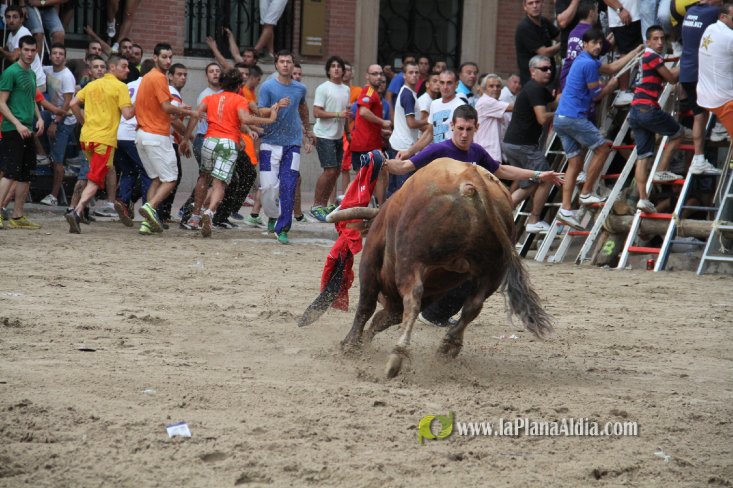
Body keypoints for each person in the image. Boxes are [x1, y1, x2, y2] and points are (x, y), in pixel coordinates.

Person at [383, 105, 562, 328]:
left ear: (476, 127)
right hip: (435, 224)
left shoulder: (477, 152)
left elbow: (502, 171)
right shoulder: (438, 150)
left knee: (478, 268)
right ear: (452, 126)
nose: (464, 134)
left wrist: (538, 174)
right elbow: (405, 166)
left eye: (469, 129)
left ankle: (436, 313)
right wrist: (383, 163)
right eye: (460, 128)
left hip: (464, 226)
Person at [554, 29, 642, 229]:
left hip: (561, 118)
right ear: (585, 44)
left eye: (600, 43)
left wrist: (635, 51)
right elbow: (596, 95)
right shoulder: (589, 64)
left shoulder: (583, 60)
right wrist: (610, 87)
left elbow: (611, 67)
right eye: (593, 43)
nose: (597, 46)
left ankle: (565, 209)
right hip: (574, 117)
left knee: (575, 162)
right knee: (602, 149)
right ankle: (586, 193)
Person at [181, 68, 278, 237]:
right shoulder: (240, 99)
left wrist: (185, 138)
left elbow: (196, 115)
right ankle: (210, 212)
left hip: (209, 141)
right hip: (228, 144)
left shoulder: (210, 98)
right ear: (239, 85)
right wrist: (269, 119)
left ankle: (195, 217)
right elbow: (245, 119)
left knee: (204, 177)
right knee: (219, 184)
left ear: (222, 83)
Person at [65, 54, 134, 233]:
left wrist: (83, 123)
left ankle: (77, 210)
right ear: (113, 67)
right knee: (95, 180)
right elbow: (128, 114)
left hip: (86, 138)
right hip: (104, 140)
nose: (127, 70)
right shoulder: (121, 87)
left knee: (95, 175)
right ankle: (77, 211)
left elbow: (73, 103)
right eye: (124, 66)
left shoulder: (92, 85)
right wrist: (140, 104)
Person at [134, 42, 197, 234]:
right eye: (164, 57)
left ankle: (147, 223)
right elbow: (166, 108)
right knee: (171, 179)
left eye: (170, 57)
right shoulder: (159, 77)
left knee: (156, 179)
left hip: (141, 135)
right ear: (154, 57)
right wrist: (190, 112)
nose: (168, 61)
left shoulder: (146, 77)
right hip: (156, 135)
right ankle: (150, 207)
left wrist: (179, 109)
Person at [257, 50, 313, 244]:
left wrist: (308, 130)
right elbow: (260, 111)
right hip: (269, 143)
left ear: (293, 65)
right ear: (276, 65)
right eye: (282, 62)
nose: (285, 65)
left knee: (289, 186)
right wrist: (277, 106)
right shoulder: (267, 87)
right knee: (268, 187)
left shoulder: (300, 89)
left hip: (292, 144)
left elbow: (303, 108)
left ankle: (283, 228)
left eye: (288, 62)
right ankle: (273, 216)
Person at [628, 25, 684, 213]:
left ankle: (643, 198)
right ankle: (661, 170)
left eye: (662, 39)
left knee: (643, 155)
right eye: (655, 39)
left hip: (635, 110)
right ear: (648, 42)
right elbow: (672, 78)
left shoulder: (645, 57)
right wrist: (689, 60)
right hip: (647, 108)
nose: (660, 43)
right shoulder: (652, 56)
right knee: (678, 133)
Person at [502, 56, 558, 233]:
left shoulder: (538, 89)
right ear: (532, 71)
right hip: (522, 145)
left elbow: (554, 103)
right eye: (544, 69)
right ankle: (534, 220)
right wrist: (562, 113)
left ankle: (499, 214)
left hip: (513, 144)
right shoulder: (535, 89)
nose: (548, 72)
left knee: (529, 184)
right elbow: (542, 118)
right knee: (546, 177)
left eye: (550, 68)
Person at [0, 35, 44, 230]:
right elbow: (1, 103)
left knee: (26, 174)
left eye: (33, 50)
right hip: (13, 129)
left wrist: (40, 118)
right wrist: (17, 124)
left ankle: (18, 216)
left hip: (27, 128)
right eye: (26, 50)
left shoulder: (32, 74)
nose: (29, 54)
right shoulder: (11, 72)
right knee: (10, 172)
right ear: (19, 50)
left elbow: (31, 99)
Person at [680, 0, 724, 175]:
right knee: (724, 89)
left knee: (699, 116)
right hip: (700, 70)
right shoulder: (713, 12)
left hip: (686, 72)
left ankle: (698, 159)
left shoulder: (691, 11)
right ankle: (719, 128)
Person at [113, 59, 155, 227]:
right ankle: (148, 210)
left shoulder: (128, 85)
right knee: (148, 173)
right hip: (133, 134)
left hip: (119, 134)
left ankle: (123, 201)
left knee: (128, 171)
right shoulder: (149, 86)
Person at [310, 56, 351, 222]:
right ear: (328, 70)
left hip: (338, 136)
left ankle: (324, 204)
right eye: (333, 66)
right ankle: (316, 206)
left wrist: (348, 132)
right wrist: (338, 114)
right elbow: (316, 112)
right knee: (329, 170)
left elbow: (345, 114)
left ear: (343, 71)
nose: (336, 69)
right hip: (323, 135)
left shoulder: (346, 89)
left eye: (339, 66)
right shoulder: (323, 88)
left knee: (336, 171)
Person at [39, 43, 77, 207]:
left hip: (65, 121)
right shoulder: (47, 70)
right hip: (51, 114)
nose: (57, 56)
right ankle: (42, 155)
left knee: (58, 159)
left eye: (61, 54)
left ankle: (54, 196)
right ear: (50, 56)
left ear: (65, 58)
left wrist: (56, 122)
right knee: (32, 121)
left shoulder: (67, 76)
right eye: (54, 53)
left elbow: (68, 103)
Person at [398, 70, 466, 159]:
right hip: (437, 157)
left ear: (456, 85)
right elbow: (429, 133)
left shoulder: (461, 106)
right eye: (442, 82)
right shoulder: (434, 104)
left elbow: (465, 136)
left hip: (453, 158)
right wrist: (409, 152)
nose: (445, 87)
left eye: (449, 83)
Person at [697, 3, 733, 139]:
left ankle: (719, 127)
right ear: (723, 17)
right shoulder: (730, 36)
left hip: (704, 95)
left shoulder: (710, 28)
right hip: (724, 100)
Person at [560, 0, 613, 90]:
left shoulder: (573, 32)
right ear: (591, 13)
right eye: (596, 12)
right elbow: (606, 48)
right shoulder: (592, 33)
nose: (597, 15)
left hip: (566, 78)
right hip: (580, 81)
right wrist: (617, 34)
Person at [0, 6, 46, 91]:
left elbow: (13, 57)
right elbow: (5, 50)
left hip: (35, 83)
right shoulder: (11, 34)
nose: (11, 20)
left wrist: (1, 51)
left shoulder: (23, 33)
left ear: (21, 19)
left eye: (15, 17)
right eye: (8, 17)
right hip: (24, 79)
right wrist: (2, 51)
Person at [515, 0, 560, 85]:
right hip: (532, 81)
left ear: (542, 3)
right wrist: (564, 43)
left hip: (548, 78)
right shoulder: (525, 27)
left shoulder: (544, 22)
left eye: (537, 2)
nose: (534, 6)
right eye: (530, 3)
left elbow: (558, 37)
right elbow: (544, 53)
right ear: (525, 7)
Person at [475, 74, 512, 163]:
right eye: (491, 86)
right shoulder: (485, 102)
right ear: (484, 89)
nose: (495, 89)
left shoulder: (498, 103)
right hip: (487, 153)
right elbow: (514, 107)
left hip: (499, 154)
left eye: (498, 86)